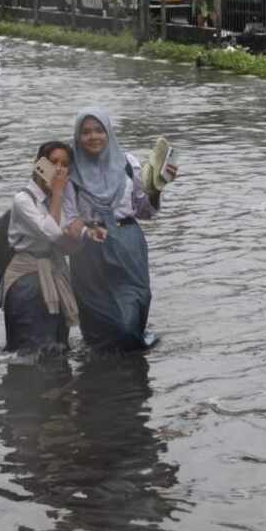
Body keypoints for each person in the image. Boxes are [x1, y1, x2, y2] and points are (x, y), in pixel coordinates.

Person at [61, 107, 177, 352]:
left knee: (130, 314)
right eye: (86, 132)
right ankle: (102, 381)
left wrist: (157, 189)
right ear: (77, 137)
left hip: (128, 244)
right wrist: (87, 233)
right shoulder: (70, 172)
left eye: (99, 130)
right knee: (96, 326)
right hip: (89, 251)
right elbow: (69, 219)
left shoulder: (128, 164)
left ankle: (135, 338)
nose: (93, 137)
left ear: (109, 132)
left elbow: (144, 211)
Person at [0, 141, 82, 355]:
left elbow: (69, 245)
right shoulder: (23, 199)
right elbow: (52, 232)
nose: (59, 169)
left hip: (55, 274)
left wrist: (81, 231)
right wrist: (58, 194)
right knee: (29, 350)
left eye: (65, 164)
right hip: (26, 280)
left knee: (58, 348)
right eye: (54, 162)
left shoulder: (63, 199)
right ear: (39, 164)